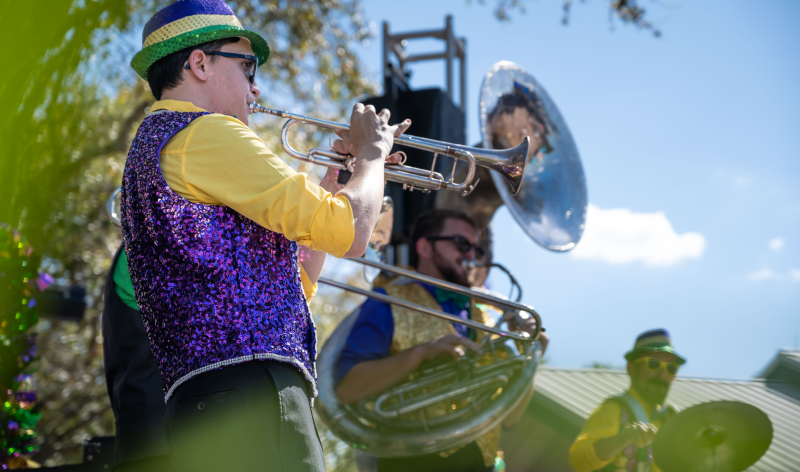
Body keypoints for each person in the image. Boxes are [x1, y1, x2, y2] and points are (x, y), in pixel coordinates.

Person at [121, 1, 410, 471]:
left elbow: (288, 289)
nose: (256, 87)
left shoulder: (155, 147)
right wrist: (375, 153)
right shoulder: (206, 133)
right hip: (254, 396)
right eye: (247, 66)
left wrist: (339, 179)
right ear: (200, 63)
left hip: (208, 404)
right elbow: (352, 233)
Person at [335, 209, 542, 472]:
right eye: (461, 244)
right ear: (424, 247)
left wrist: (531, 359)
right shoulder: (388, 301)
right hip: (414, 463)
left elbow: (509, 418)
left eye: (476, 250)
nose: (471, 256)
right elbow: (346, 389)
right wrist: (421, 354)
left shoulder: (484, 316)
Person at [568, 329, 686, 472]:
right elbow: (580, 461)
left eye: (671, 368)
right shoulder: (615, 408)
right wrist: (622, 439)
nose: (662, 374)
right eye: (653, 364)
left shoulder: (673, 418)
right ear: (632, 368)